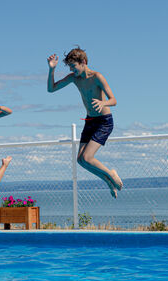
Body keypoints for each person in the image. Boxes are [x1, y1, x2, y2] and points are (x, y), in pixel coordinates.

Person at [47, 46, 123, 198]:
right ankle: (108, 180)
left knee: (87, 157)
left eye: (74, 66)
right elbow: (51, 89)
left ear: (83, 62)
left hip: (104, 122)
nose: (72, 70)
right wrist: (51, 70)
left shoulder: (97, 77)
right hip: (90, 121)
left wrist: (104, 104)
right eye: (70, 67)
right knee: (80, 160)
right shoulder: (74, 78)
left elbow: (114, 100)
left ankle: (111, 174)